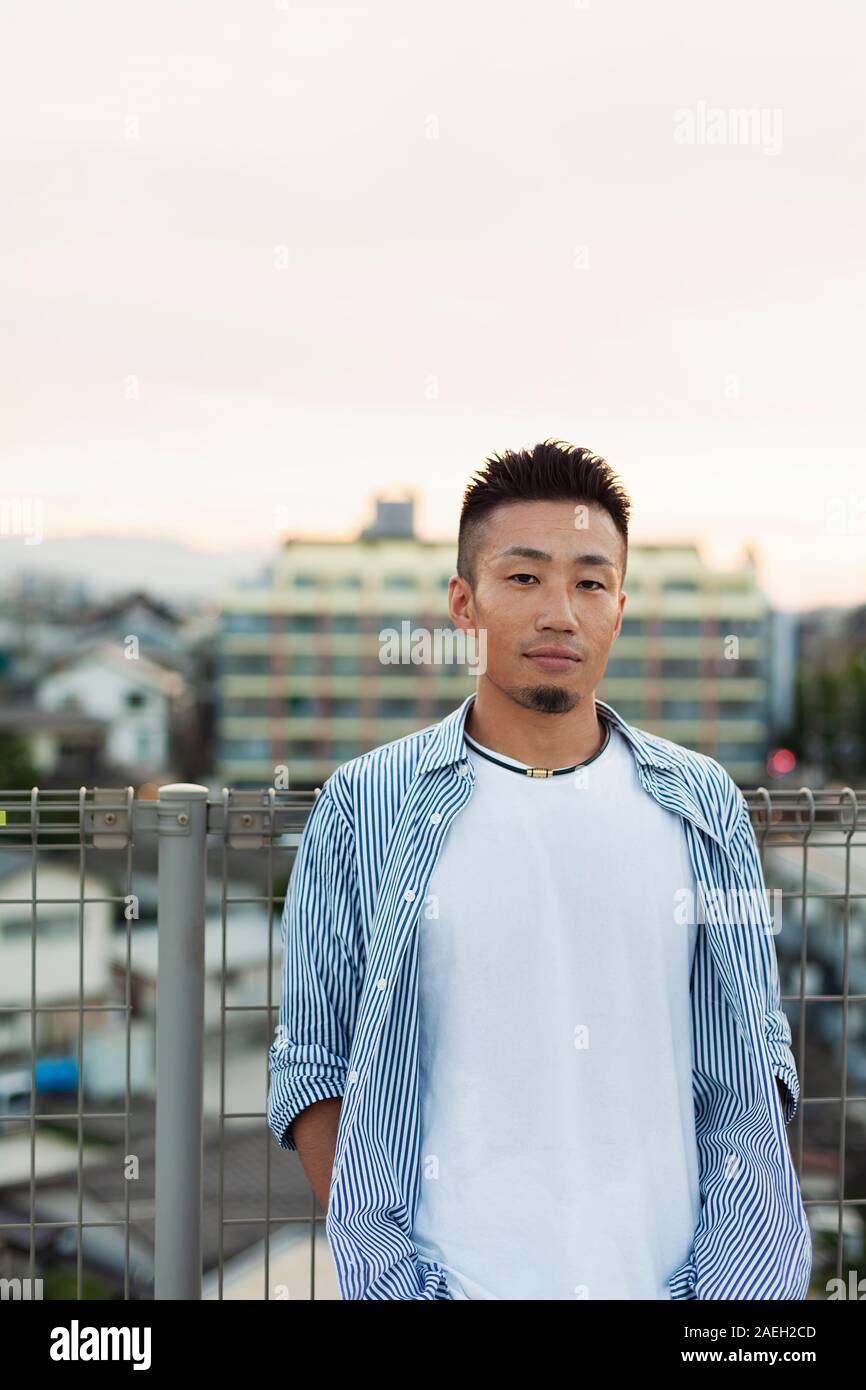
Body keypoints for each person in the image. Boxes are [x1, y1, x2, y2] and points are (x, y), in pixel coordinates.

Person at [267, 438, 811, 1300]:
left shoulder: (704, 805)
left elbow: (752, 1064)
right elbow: (314, 1060)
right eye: (524, 577)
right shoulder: (367, 805)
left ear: (620, 607)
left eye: (590, 582)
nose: (561, 611)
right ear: (463, 602)